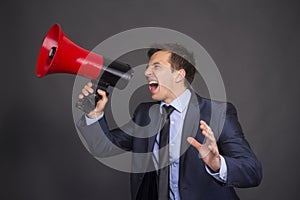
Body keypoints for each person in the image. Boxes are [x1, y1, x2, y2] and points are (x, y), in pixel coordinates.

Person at [77, 43, 262, 200]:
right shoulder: (144, 113)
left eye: (156, 66)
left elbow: (253, 171)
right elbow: (104, 147)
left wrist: (217, 164)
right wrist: (95, 114)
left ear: (179, 74)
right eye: (148, 67)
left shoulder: (218, 113)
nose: (147, 72)